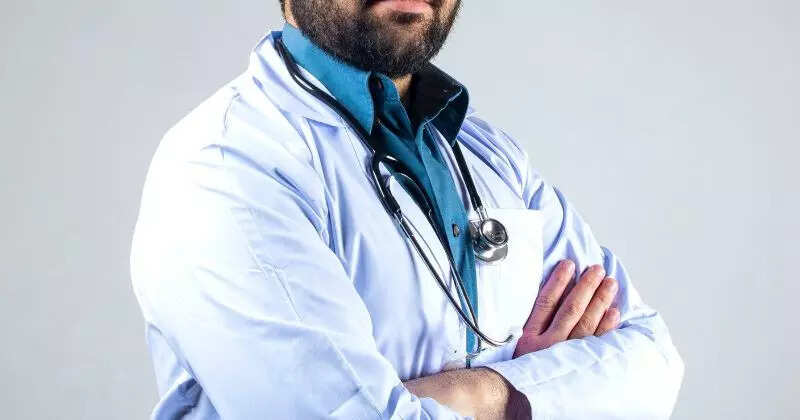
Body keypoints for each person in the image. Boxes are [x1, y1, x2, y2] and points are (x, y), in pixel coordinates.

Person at [130, 0, 685, 418]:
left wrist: (485, 394)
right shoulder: (227, 164)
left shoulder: (489, 155)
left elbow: (652, 362)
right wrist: (546, 393)